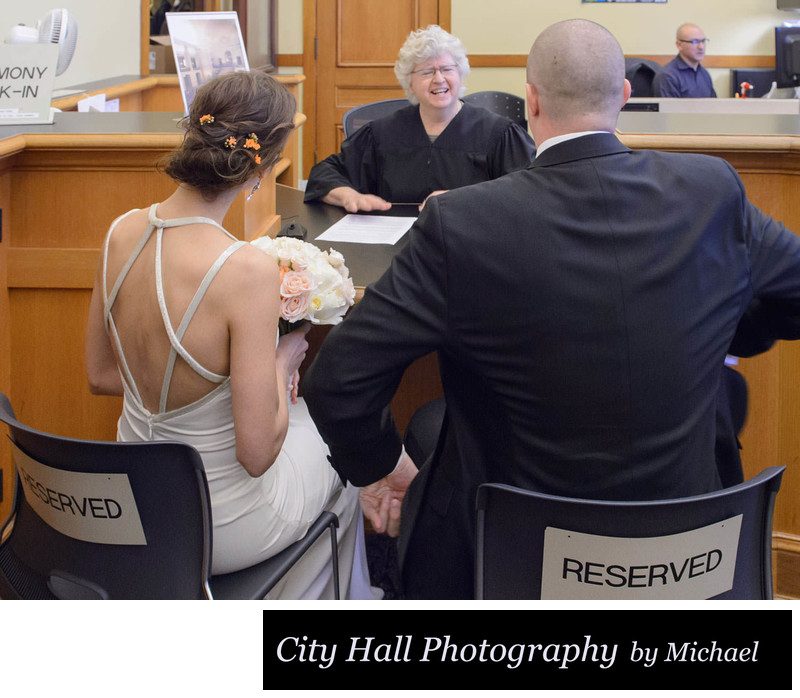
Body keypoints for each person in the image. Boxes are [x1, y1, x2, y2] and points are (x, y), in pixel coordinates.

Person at [303, 19, 800, 600]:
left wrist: (385, 471)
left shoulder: (461, 225)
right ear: (624, 96)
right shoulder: (713, 190)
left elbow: (337, 380)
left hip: (515, 555)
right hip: (691, 541)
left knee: (433, 428)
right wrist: (726, 331)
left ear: (530, 104)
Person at [85, 71, 380, 600]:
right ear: (260, 169)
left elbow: (102, 375)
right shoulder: (243, 270)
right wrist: (284, 360)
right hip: (219, 523)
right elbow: (256, 453)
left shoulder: (120, 230)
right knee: (346, 453)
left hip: (133, 505)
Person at [303, 24, 536, 213]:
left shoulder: (498, 134)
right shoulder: (383, 134)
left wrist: (467, 199)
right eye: (426, 72)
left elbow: (528, 191)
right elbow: (325, 174)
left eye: (447, 69)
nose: (439, 79)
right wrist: (349, 196)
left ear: (461, 73)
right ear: (410, 83)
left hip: (472, 248)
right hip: (397, 249)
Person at [653, 23, 717, 98]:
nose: (701, 47)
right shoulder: (667, 76)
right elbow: (669, 109)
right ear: (679, 45)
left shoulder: (704, 74)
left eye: (703, 41)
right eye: (694, 42)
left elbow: (714, 106)